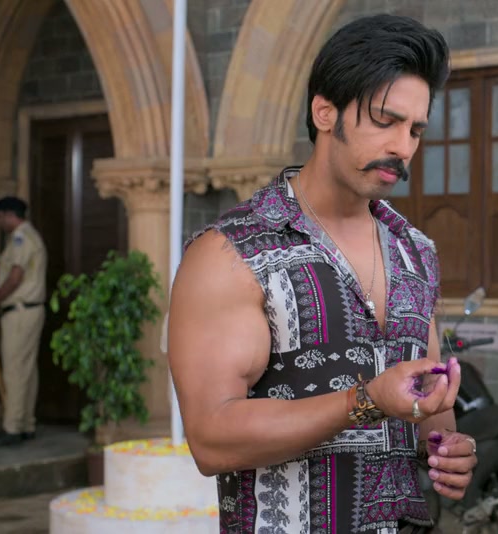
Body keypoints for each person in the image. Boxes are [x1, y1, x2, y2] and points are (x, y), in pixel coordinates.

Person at [168, 15, 476, 534]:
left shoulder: (416, 252)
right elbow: (212, 438)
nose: (403, 147)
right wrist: (365, 401)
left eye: (415, 130)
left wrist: (449, 447)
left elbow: (426, 404)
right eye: (385, 121)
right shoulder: (231, 252)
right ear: (325, 112)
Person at [0, 196, 47, 447]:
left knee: (15, 370)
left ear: (9, 215)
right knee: (26, 370)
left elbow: (15, 277)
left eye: (0, 217)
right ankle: (25, 423)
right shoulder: (29, 236)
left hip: (19, 311)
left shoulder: (21, 238)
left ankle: (13, 427)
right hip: (27, 311)